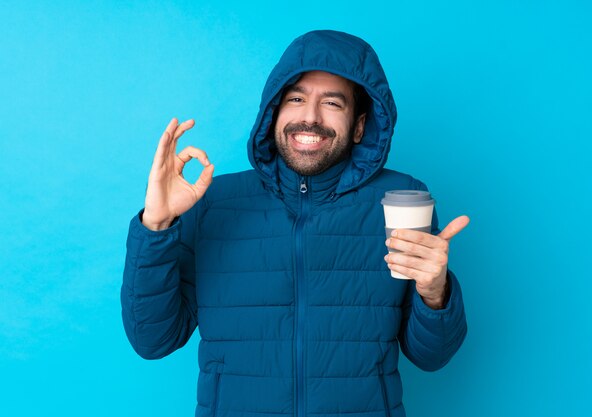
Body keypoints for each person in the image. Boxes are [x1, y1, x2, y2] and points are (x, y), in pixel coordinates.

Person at [121, 30, 468, 417]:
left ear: (358, 126)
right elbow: (153, 340)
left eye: (332, 103)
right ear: (273, 114)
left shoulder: (403, 201)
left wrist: (435, 294)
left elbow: (431, 357)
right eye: (296, 98)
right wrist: (157, 225)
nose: (310, 117)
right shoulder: (212, 203)